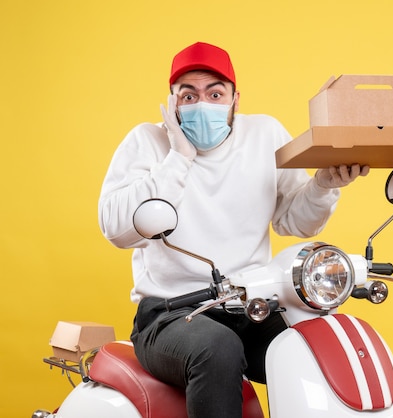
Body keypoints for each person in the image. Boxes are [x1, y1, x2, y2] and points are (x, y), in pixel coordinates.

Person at [98, 42, 369, 418]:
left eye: (215, 93)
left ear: (235, 100)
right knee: (218, 348)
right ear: (172, 102)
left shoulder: (265, 134)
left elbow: (293, 221)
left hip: (251, 306)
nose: (202, 104)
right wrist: (179, 157)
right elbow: (115, 228)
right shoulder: (147, 141)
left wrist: (323, 185)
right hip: (170, 316)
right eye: (188, 95)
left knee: (313, 344)